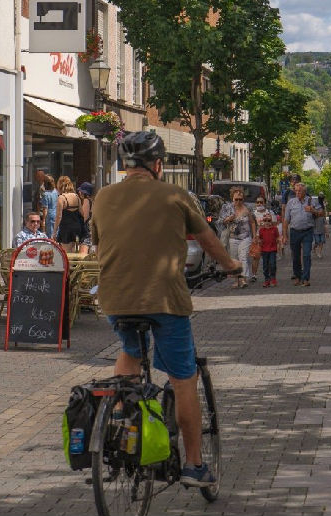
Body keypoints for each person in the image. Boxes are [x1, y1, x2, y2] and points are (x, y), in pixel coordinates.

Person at [91, 131, 241, 489]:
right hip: (164, 299)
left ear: (125, 166)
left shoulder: (102, 197)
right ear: (158, 165)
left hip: (115, 298)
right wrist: (232, 266)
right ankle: (194, 465)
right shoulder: (175, 195)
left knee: (129, 353)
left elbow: (99, 245)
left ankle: (120, 431)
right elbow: (208, 240)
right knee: (182, 377)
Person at [222, 186, 256, 289]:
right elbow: (221, 221)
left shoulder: (247, 208)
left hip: (245, 237)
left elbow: (252, 222)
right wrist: (229, 218)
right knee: (234, 259)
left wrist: (254, 236)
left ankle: (243, 279)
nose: (238, 201)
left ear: (243, 199)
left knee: (243, 257)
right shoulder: (227, 208)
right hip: (232, 238)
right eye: (236, 199)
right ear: (232, 198)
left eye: (240, 199)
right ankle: (236, 280)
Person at [282, 183, 315, 287]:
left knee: (306, 255)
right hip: (294, 231)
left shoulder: (311, 201)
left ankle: (305, 278)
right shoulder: (291, 203)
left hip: (307, 231)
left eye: (299, 191)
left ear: (304, 191)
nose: (297, 193)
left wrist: (313, 210)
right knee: (295, 256)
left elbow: (322, 213)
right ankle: (297, 276)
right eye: (295, 191)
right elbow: (286, 220)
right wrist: (285, 235)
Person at [52, 176, 87, 252]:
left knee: (66, 251)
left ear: (60, 185)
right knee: (74, 250)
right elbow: (82, 213)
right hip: (76, 227)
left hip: (66, 228)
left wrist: (54, 232)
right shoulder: (76, 197)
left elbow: (59, 216)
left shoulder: (61, 197)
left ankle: (69, 264)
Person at [250, 196, 272, 280]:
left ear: (264, 203)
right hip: (257, 237)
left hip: (268, 238)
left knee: (268, 258)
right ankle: (254, 275)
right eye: (257, 202)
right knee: (255, 257)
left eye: (261, 202)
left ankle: (268, 275)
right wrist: (254, 236)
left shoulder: (269, 212)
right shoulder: (253, 213)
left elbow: (274, 224)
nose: (259, 204)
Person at [259, 213, 280, 287]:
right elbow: (260, 239)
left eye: (269, 220)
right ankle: (267, 279)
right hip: (264, 250)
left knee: (272, 264)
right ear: (263, 221)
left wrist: (280, 243)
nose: (267, 222)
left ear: (271, 221)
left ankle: (273, 278)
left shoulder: (275, 229)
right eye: (265, 220)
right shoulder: (261, 230)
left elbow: (277, 237)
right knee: (265, 266)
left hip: (272, 249)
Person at [77, 181, 94, 256]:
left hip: (86, 233)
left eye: (80, 191)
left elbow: (84, 217)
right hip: (91, 232)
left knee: (82, 257)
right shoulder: (92, 201)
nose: (79, 192)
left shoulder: (87, 201)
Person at [313, 192, 329, 258]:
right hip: (316, 229)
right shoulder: (316, 205)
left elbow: (325, 224)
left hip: (322, 229)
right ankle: (314, 248)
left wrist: (327, 232)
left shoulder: (322, 207)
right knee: (317, 242)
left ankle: (319, 253)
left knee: (321, 242)